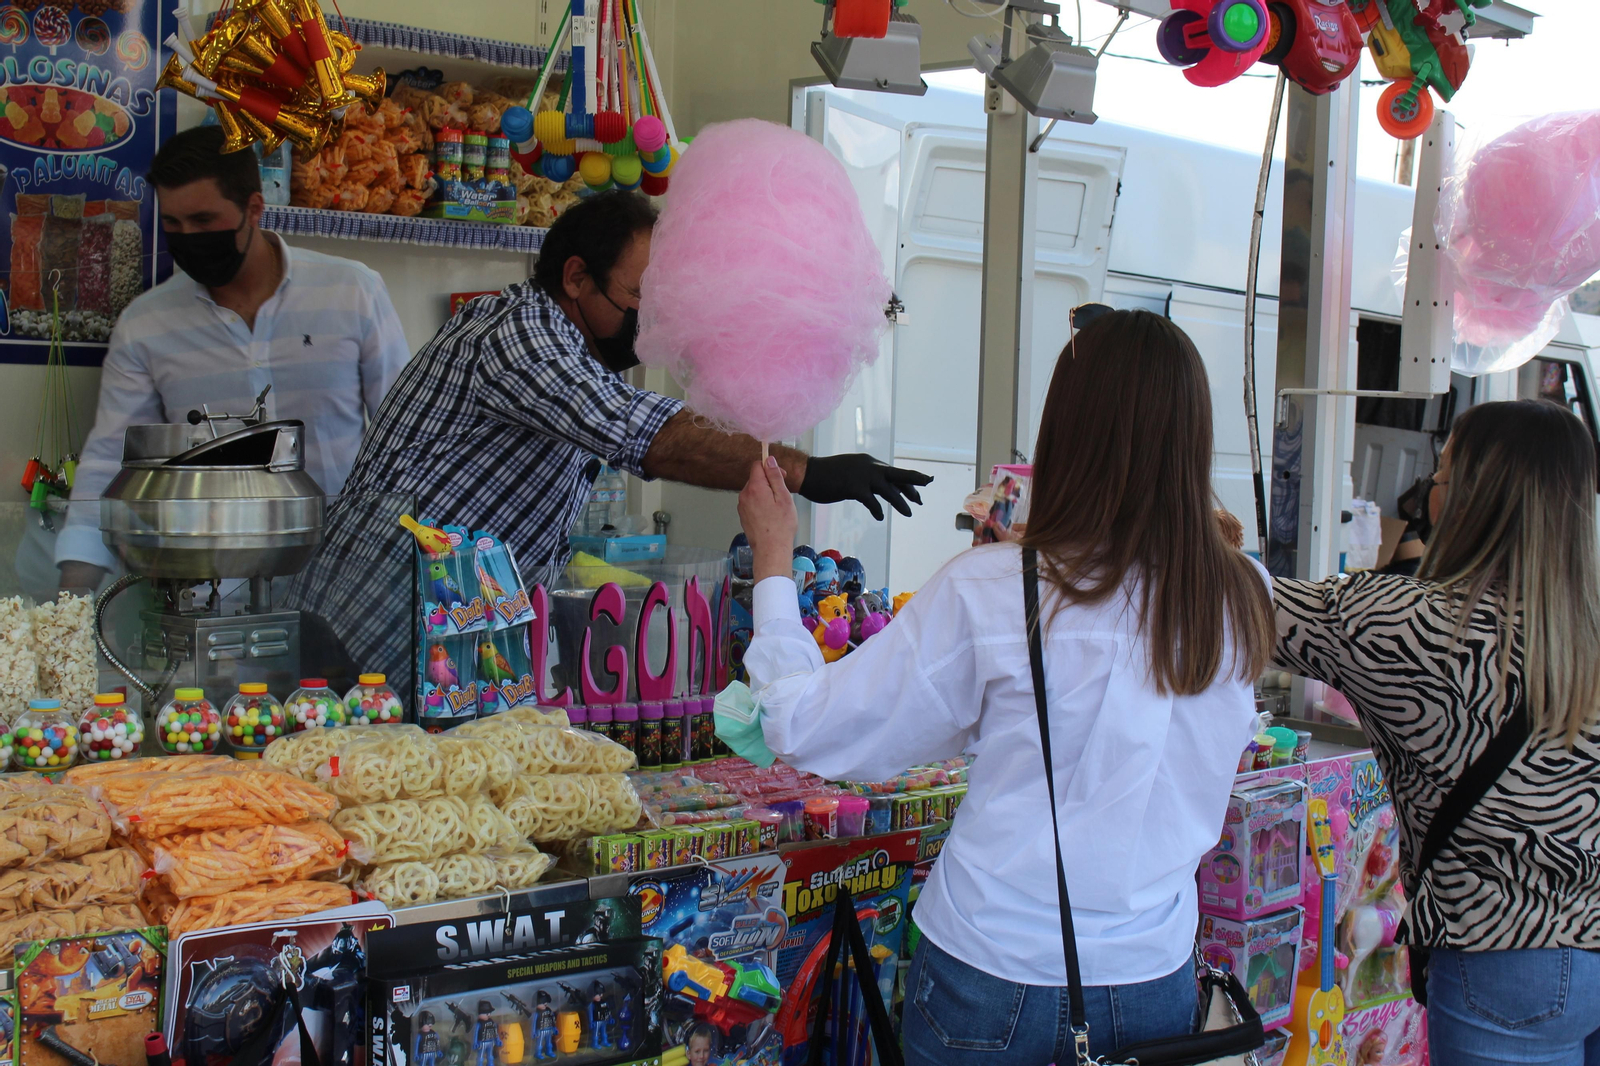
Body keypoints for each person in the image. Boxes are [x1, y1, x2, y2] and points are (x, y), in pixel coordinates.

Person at [734, 308, 1275, 1064]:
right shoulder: (1241, 591)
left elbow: (810, 726)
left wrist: (772, 558)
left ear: (1067, 431)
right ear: (1191, 439)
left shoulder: (994, 590)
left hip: (991, 974)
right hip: (1155, 973)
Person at [301, 190, 930, 678]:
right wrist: (807, 473)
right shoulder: (517, 332)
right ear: (576, 278)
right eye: (636, 297)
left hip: (448, 643)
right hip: (366, 637)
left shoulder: (570, 350)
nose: (646, 321)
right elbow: (648, 434)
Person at [1271, 399, 1600, 1065]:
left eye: (1441, 474)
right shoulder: (1585, 631)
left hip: (1503, 960)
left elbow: (1237, 607)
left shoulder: (1416, 628)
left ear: (1472, 499)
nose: (1429, 491)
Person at [55, 125, 409, 591]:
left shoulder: (352, 292)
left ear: (254, 209)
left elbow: (407, 435)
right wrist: (74, 593)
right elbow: (111, 458)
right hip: (212, 594)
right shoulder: (146, 326)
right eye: (174, 225)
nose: (188, 238)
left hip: (349, 579)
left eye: (204, 221)